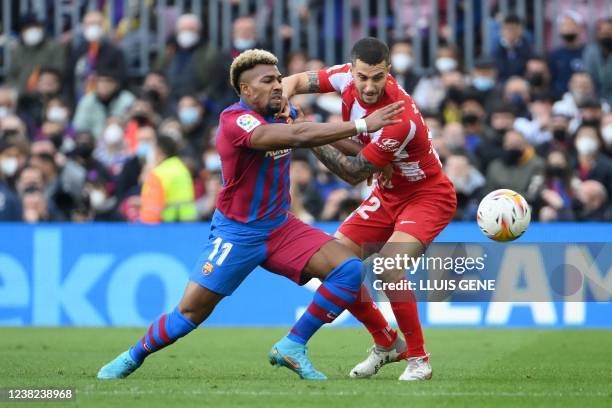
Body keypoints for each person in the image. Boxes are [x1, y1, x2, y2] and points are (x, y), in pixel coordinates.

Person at [97, 49, 404, 381]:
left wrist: (372, 156)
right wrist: (360, 124)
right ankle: (133, 355)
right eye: (268, 81)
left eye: (278, 79)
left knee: (348, 270)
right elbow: (298, 136)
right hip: (237, 232)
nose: (278, 86)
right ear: (245, 90)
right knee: (189, 314)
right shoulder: (235, 120)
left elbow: (309, 132)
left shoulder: (285, 115)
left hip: (280, 226)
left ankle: (293, 345)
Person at [281, 37, 457, 381]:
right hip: (387, 194)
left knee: (389, 268)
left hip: (427, 196)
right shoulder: (344, 77)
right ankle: (386, 341)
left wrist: (305, 132)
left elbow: (352, 172)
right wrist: (285, 106)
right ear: (353, 70)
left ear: (388, 71)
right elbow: (295, 81)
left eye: (377, 77)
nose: (369, 85)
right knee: (334, 267)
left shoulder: (398, 118)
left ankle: (419, 359)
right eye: (363, 76)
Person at [139, 134, 197, 223]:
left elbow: (151, 211)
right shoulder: (182, 168)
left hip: (166, 227)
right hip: (188, 224)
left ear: (159, 150)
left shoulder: (158, 173)